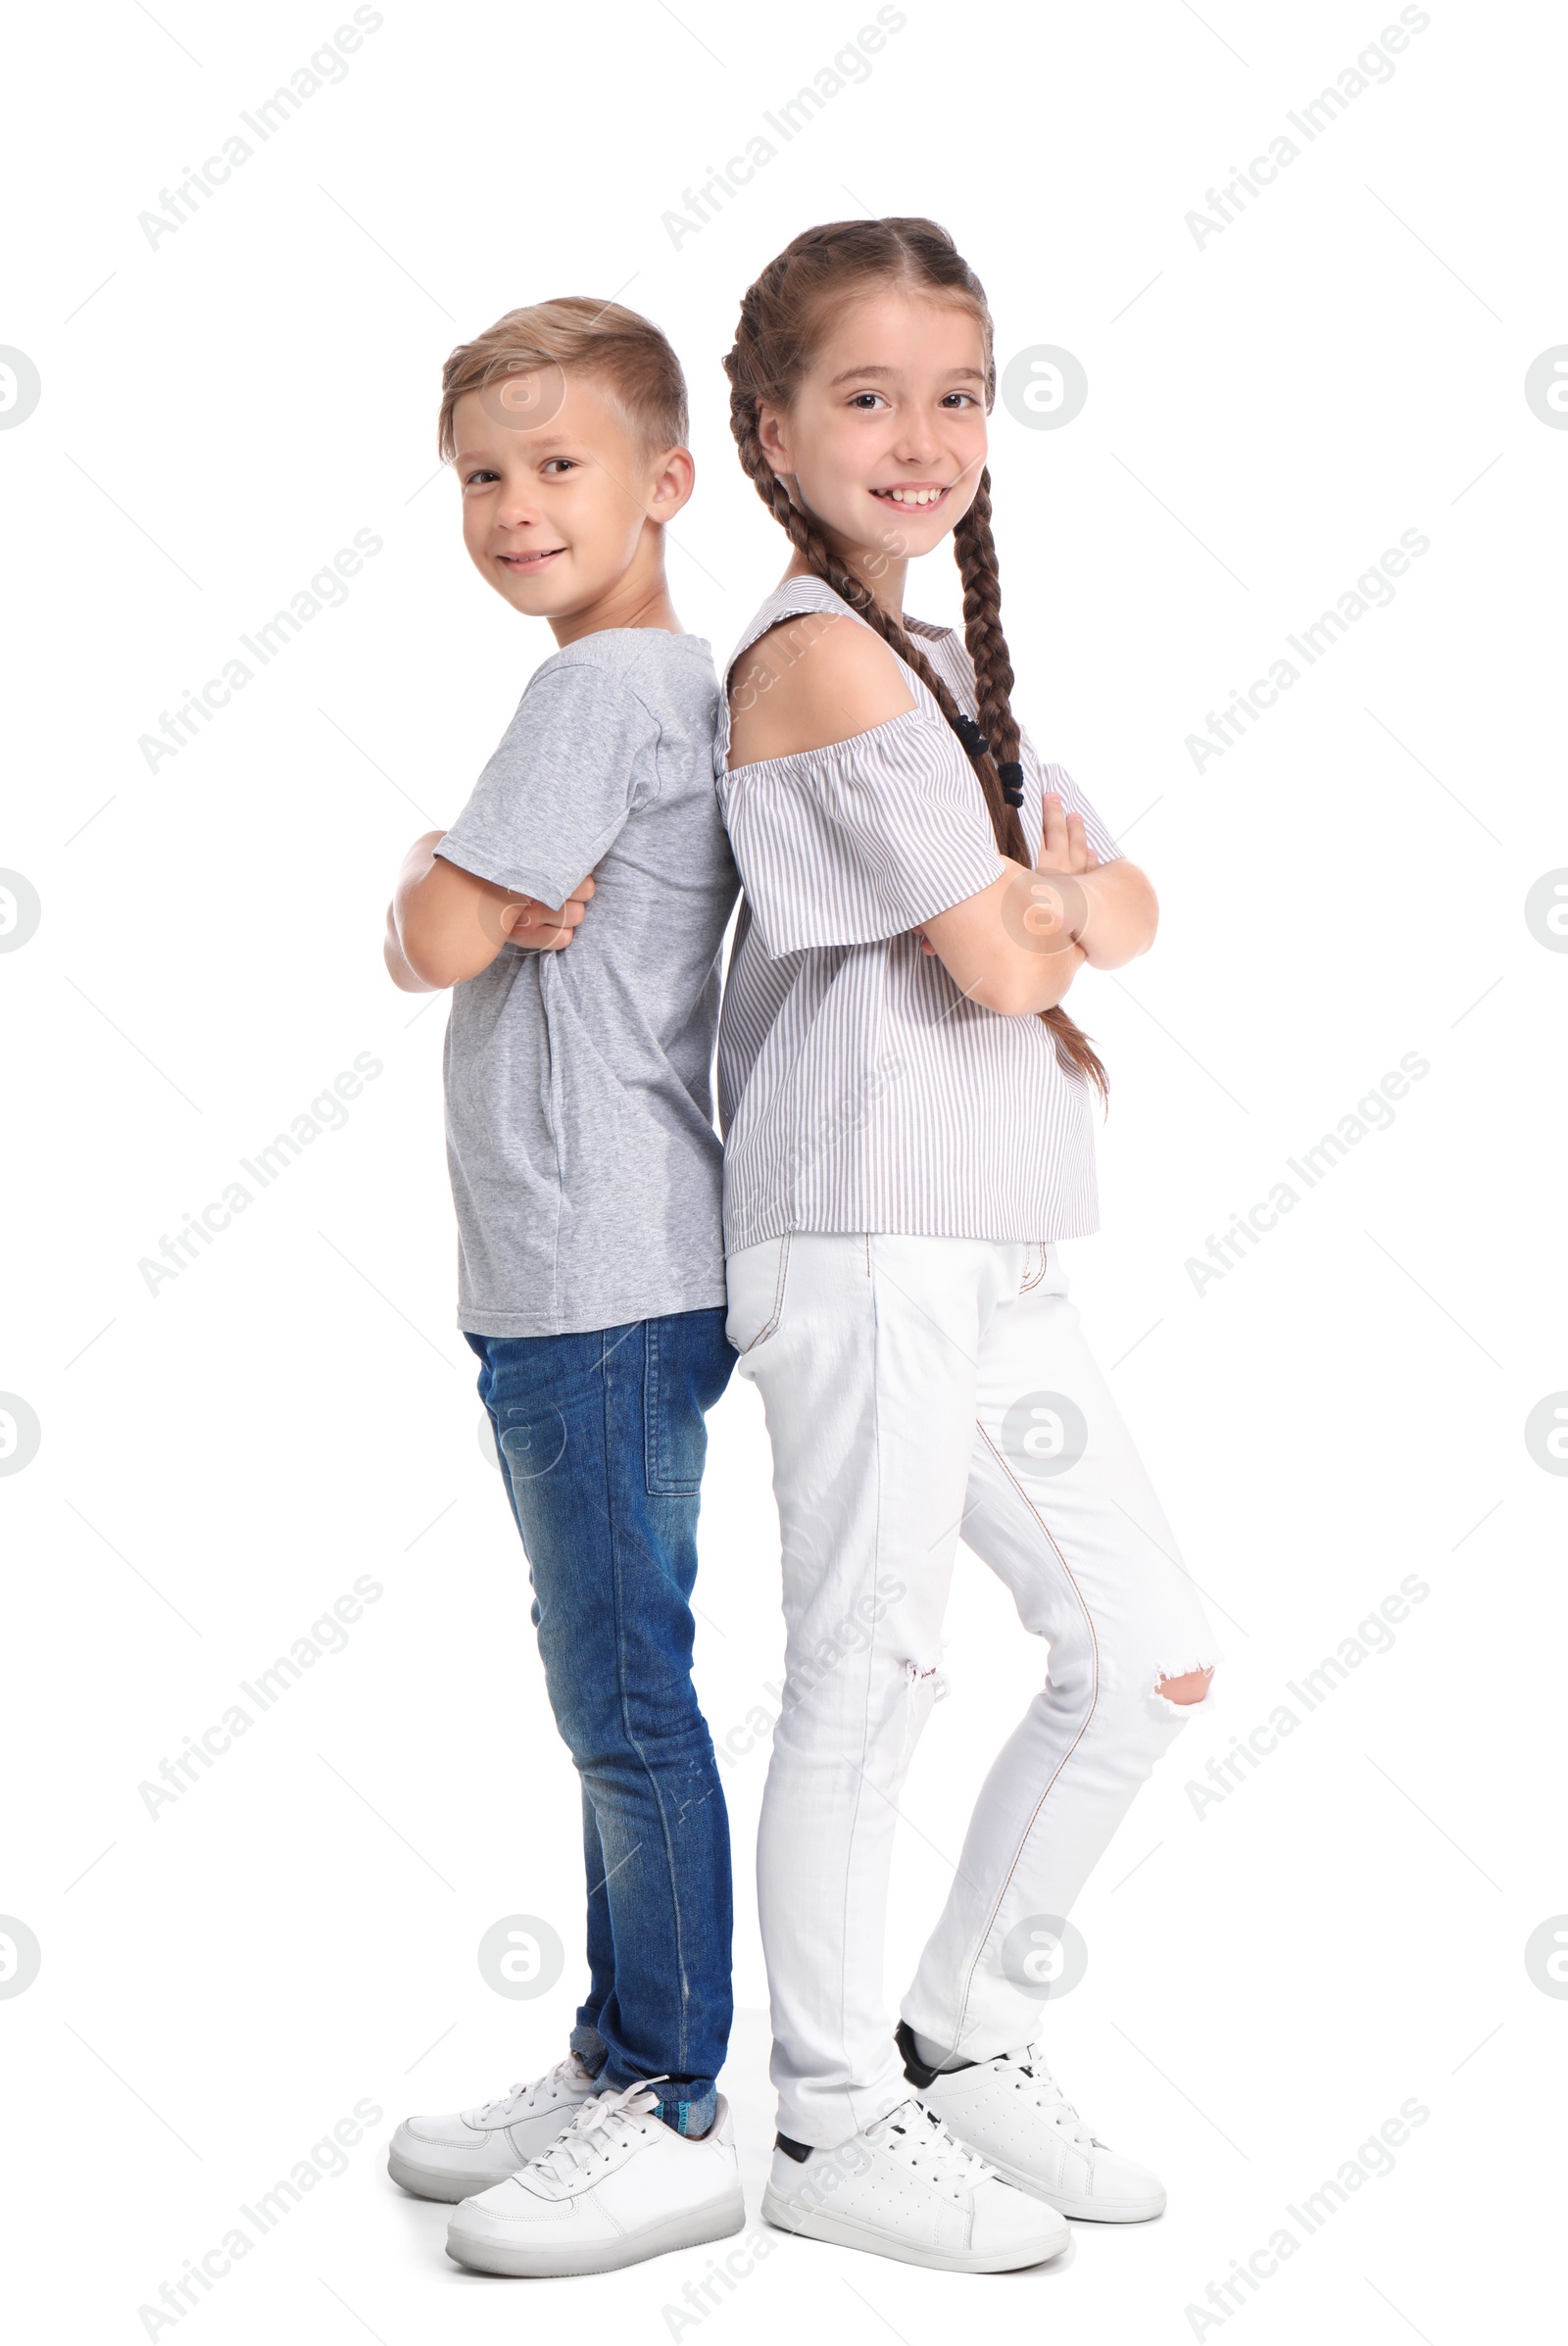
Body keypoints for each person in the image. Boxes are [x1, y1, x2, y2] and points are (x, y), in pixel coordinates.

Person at [714, 219, 1217, 2273]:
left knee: (1144, 1652)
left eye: (953, 392)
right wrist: (1053, 902)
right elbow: (1022, 949)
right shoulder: (813, 654)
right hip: (858, 1233)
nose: (920, 435)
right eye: (865, 395)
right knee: (870, 1666)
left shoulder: (934, 661)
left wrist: (1064, 906)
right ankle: (828, 2123)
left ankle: (961, 2032)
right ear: (767, 427)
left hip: (986, 1242)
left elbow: (1131, 909)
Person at [380, 298, 744, 2277]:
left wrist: (437, 876)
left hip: (598, 1270)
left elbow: (426, 945)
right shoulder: (630, 688)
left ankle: (675, 2095)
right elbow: (454, 920)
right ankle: (620, 2044)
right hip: (573, 1265)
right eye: (480, 476)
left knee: (619, 1689)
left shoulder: (595, 697)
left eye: (557, 466)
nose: (514, 506)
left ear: (663, 483)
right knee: (606, 1676)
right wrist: (452, 881)